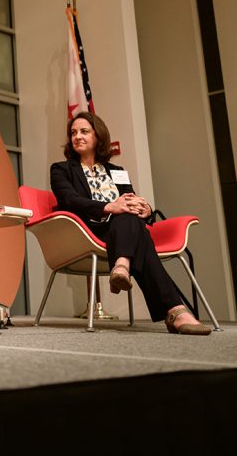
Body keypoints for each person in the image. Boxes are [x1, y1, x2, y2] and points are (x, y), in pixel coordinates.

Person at [50, 111, 210, 335]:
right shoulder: (61, 169)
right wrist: (109, 207)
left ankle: (123, 266)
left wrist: (144, 211)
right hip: (87, 230)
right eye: (73, 132)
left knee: (129, 215)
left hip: (120, 231)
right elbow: (70, 200)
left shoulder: (117, 171)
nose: (77, 136)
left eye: (84, 131)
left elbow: (130, 200)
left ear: (98, 136)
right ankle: (175, 310)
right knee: (132, 225)